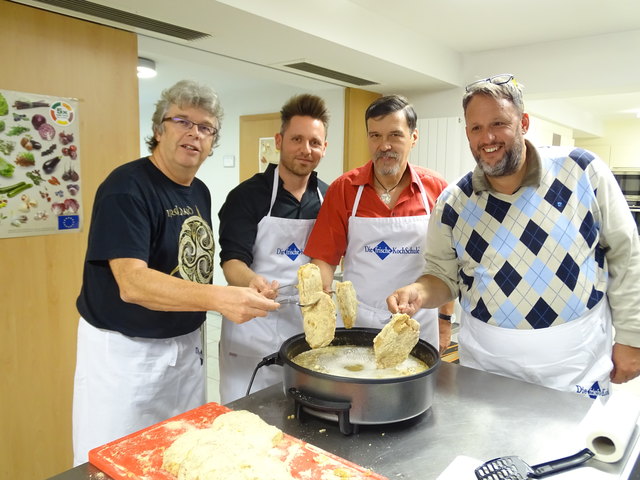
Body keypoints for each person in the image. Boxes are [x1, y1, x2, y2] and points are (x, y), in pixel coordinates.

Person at [388, 74, 640, 397]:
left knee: (575, 447)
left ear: (523, 123)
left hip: (575, 366)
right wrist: (419, 293)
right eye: (475, 128)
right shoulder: (453, 203)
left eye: (498, 123)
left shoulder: (582, 171)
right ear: (467, 133)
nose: (487, 137)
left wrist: (632, 336)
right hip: (487, 368)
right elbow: (442, 277)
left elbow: (627, 255)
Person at [72, 80, 279, 465]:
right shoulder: (127, 188)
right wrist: (220, 298)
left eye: (205, 128)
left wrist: (245, 283)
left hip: (186, 349)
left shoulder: (198, 191)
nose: (194, 134)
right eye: (182, 121)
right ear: (158, 129)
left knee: (179, 455)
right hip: (128, 355)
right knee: (118, 460)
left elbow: (190, 266)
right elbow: (133, 283)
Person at [304, 94, 455, 353]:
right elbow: (324, 259)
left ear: (413, 138)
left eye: (395, 135)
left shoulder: (436, 190)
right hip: (357, 322)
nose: (384, 145)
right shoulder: (344, 189)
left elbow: (448, 263)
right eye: (375, 136)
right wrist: (320, 301)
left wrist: (444, 323)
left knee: (414, 391)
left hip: (416, 323)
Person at [217, 94, 330, 403]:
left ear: (324, 148)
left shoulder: (327, 198)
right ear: (279, 141)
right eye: (297, 139)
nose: (306, 150)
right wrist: (254, 282)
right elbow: (231, 262)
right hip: (253, 326)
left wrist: (325, 284)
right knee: (245, 418)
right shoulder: (246, 196)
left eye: (315, 142)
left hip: (304, 329)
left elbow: (327, 259)